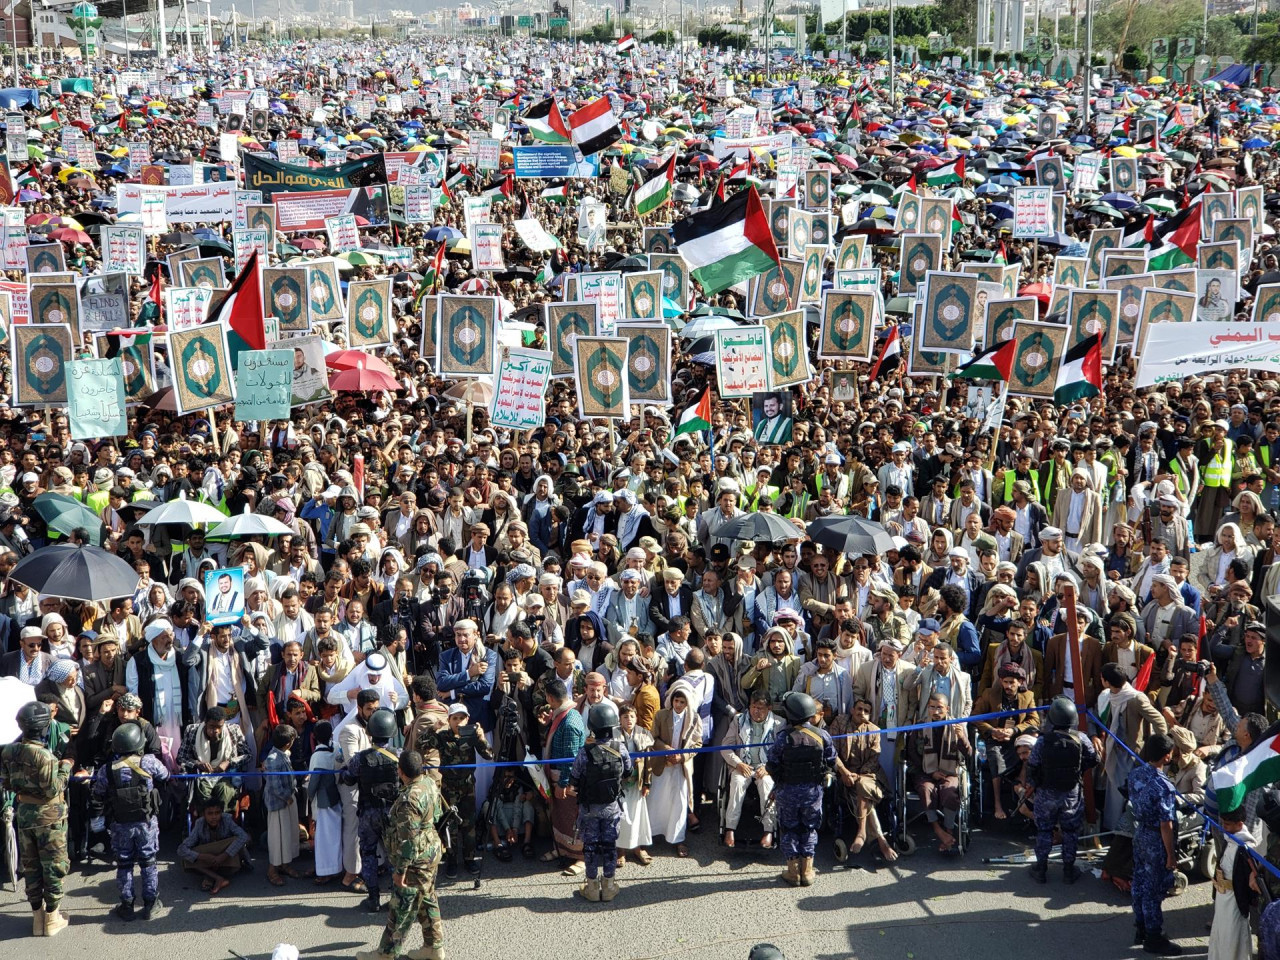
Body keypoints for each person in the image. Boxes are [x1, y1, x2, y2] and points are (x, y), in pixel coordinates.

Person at [357, 750, 447, 960]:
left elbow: (409, 842)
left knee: (401, 907)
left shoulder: (409, 800)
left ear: (400, 771)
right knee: (427, 899)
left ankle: (385, 954)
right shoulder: (429, 783)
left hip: (417, 860)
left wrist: (400, 872)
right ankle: (434, 947)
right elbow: (437, 815)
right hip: (431, 851)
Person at [0, 701, 73, 936]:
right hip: (49, 815)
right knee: (53, 865)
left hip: (25, 814)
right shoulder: (45, 757)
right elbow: (54, 788)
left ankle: (37, 918)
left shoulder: (8, 751)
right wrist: (65, 767)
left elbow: (7, 783)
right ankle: (52, 918)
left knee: (31, 865)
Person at [91, 722, 170, 921]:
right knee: (148, 862)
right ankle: (151, 903)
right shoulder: (149, 762)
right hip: (146, 823)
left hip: (120, 825)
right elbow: (166, 775)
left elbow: (97, 795)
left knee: (124, 864)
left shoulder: (107, 770)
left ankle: (127, 905)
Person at [1026, 696, 1099, 883]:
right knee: (1070, 831)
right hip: (1071, 793)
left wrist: (1037, 783)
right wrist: (1079, 770)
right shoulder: (1081, 738)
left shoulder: (1043, 741)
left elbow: (1032, 765)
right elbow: (1094, 759)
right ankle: (1068, 870)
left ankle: (1041, 869)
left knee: (1044, 830)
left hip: (1046, 793)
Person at [767, 691, 836, 886]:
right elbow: (831, 761)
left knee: (789, 829)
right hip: (812, 793)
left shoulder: (783, 737)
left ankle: (793, 872)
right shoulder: (822, 735)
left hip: (787, 791)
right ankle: (807, 871)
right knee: (809, 828)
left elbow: (771, 764)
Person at [567, 700, 634, 902]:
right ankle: (610, 886)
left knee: (590, 847)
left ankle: (592, 888)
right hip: (612, 808)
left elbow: (574, 780)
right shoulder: (620, 748)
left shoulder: (584, 753)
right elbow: (629, 772)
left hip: (589, 809)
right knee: (610, 846)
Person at [1128, 732, 1182, 955]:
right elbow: (1165, 825)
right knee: (1153, 889)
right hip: (1156, 840)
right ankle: (1153, 937)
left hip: (1140, 833)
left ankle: (1140, 926)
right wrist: (1171, 855)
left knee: (1139, 882)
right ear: (1167, 757)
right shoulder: (1163, 785)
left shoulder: (1135, 774)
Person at [342, 707, 401, 909]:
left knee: (368, 855)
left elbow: (348, 779)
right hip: (392, 813)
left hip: (368, 813)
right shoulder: (398, 756)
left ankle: (373, 898)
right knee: (394, 856)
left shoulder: (360, 758)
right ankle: (395, 898)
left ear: (370, 733)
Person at [436, 701, 494, 878]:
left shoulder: (471, 735)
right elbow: (421, 746)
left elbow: (489, 755)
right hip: (449, 787)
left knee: (469, 824)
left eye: (462, 718)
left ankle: (469, 859)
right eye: (455, 718)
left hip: (468, 785)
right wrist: (433, 729)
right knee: (450, 825)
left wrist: (481, 737)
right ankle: (451, 861)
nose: (459, 722)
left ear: (467, 719)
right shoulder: (442, 736)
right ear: (449, 720)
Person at [721, 689, 784, 850]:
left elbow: (782, 751)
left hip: (765, 767)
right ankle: (730, 829)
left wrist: (769, 767)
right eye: (753, 707)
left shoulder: (779, 723)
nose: (756, 711)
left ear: (769, 708)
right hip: (744, 765)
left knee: (767, 786)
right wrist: (737, 763)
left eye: (760, 708)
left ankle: (768, 830)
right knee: (736, 783)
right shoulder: (738, 720)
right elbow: (726, 747)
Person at [177, 798, 250, 894]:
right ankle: (217, 878)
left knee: (235, 840)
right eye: (210, 813)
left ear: (221, 813)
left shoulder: (227, 820)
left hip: (226, 858)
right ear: (204, 814)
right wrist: (202, 856)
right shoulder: (200, 823)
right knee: (187, 856)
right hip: (209, 858)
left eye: (217, 813)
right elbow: (181, 849)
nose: (214, 817)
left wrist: (224, 855)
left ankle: (209, 877)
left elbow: (244, 836)